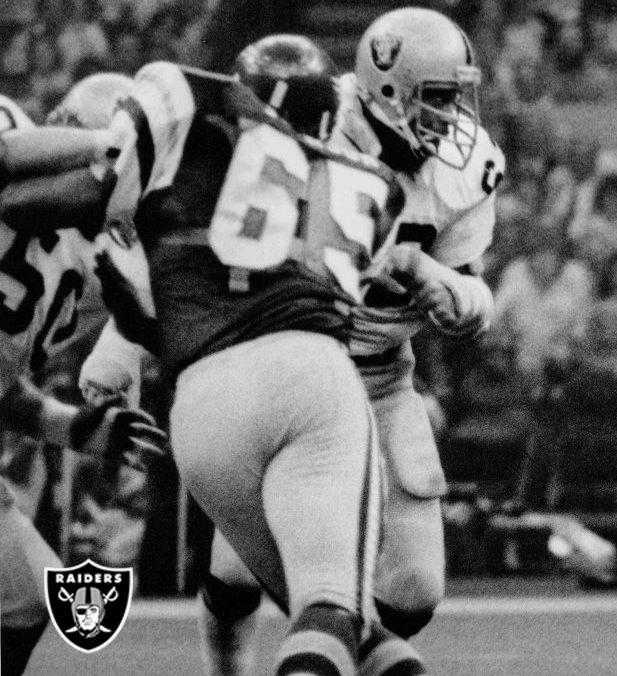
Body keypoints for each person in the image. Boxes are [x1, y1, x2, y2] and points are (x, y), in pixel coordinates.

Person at [8, 36, 431, 676]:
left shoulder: (130, 204)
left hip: (205, 402)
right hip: (304, 372)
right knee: (334, 609)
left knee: (28, 597)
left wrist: (79, 426)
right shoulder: (370, 183)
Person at [189, 10, 504, 676]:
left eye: (456, 97)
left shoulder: (466, 166)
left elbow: (475, 292)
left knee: (413, 593)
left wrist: (444, 285)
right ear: (389, 87)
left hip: (386, 375)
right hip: (294, 365)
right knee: (246, 581)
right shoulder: (312, 117)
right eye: (439, 97)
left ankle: (275, 549)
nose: (453, 117)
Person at [0, 81, 165, 676]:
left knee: (27, 599)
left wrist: (77, 431)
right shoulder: (13, 126)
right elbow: (8, 158)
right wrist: (109, 144)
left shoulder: (94, 263)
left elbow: (4, 390)